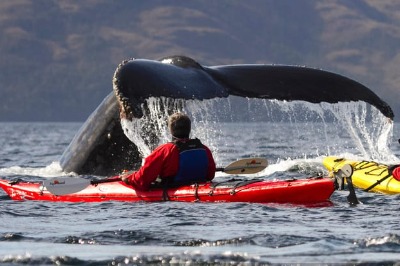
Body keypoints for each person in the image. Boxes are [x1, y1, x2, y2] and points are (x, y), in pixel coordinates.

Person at [121, 112, 216, 191]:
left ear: (170, 130)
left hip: (173, 189)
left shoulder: (165, 150)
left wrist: (128, 178)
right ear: (189, 129)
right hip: (199, 187)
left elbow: (142, 179)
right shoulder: (204, 148)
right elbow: (210, 175)